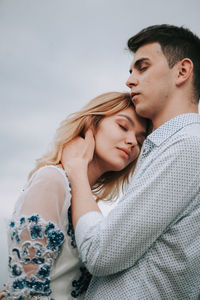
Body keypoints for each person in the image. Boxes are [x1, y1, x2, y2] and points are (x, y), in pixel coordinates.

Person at [61, 24, 200, 299]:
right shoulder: (170, 147)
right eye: (131, 71)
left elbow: (101, 253)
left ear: (182, 71)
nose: (130, 81)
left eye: (143, 67)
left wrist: (77, 172)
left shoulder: (187, 147)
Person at [3, 92, 149, 300]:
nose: (132, 142)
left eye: (140, 140)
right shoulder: (52, 180)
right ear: (92, 124)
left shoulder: (83, 201)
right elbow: (27, 292)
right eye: (123, 127)